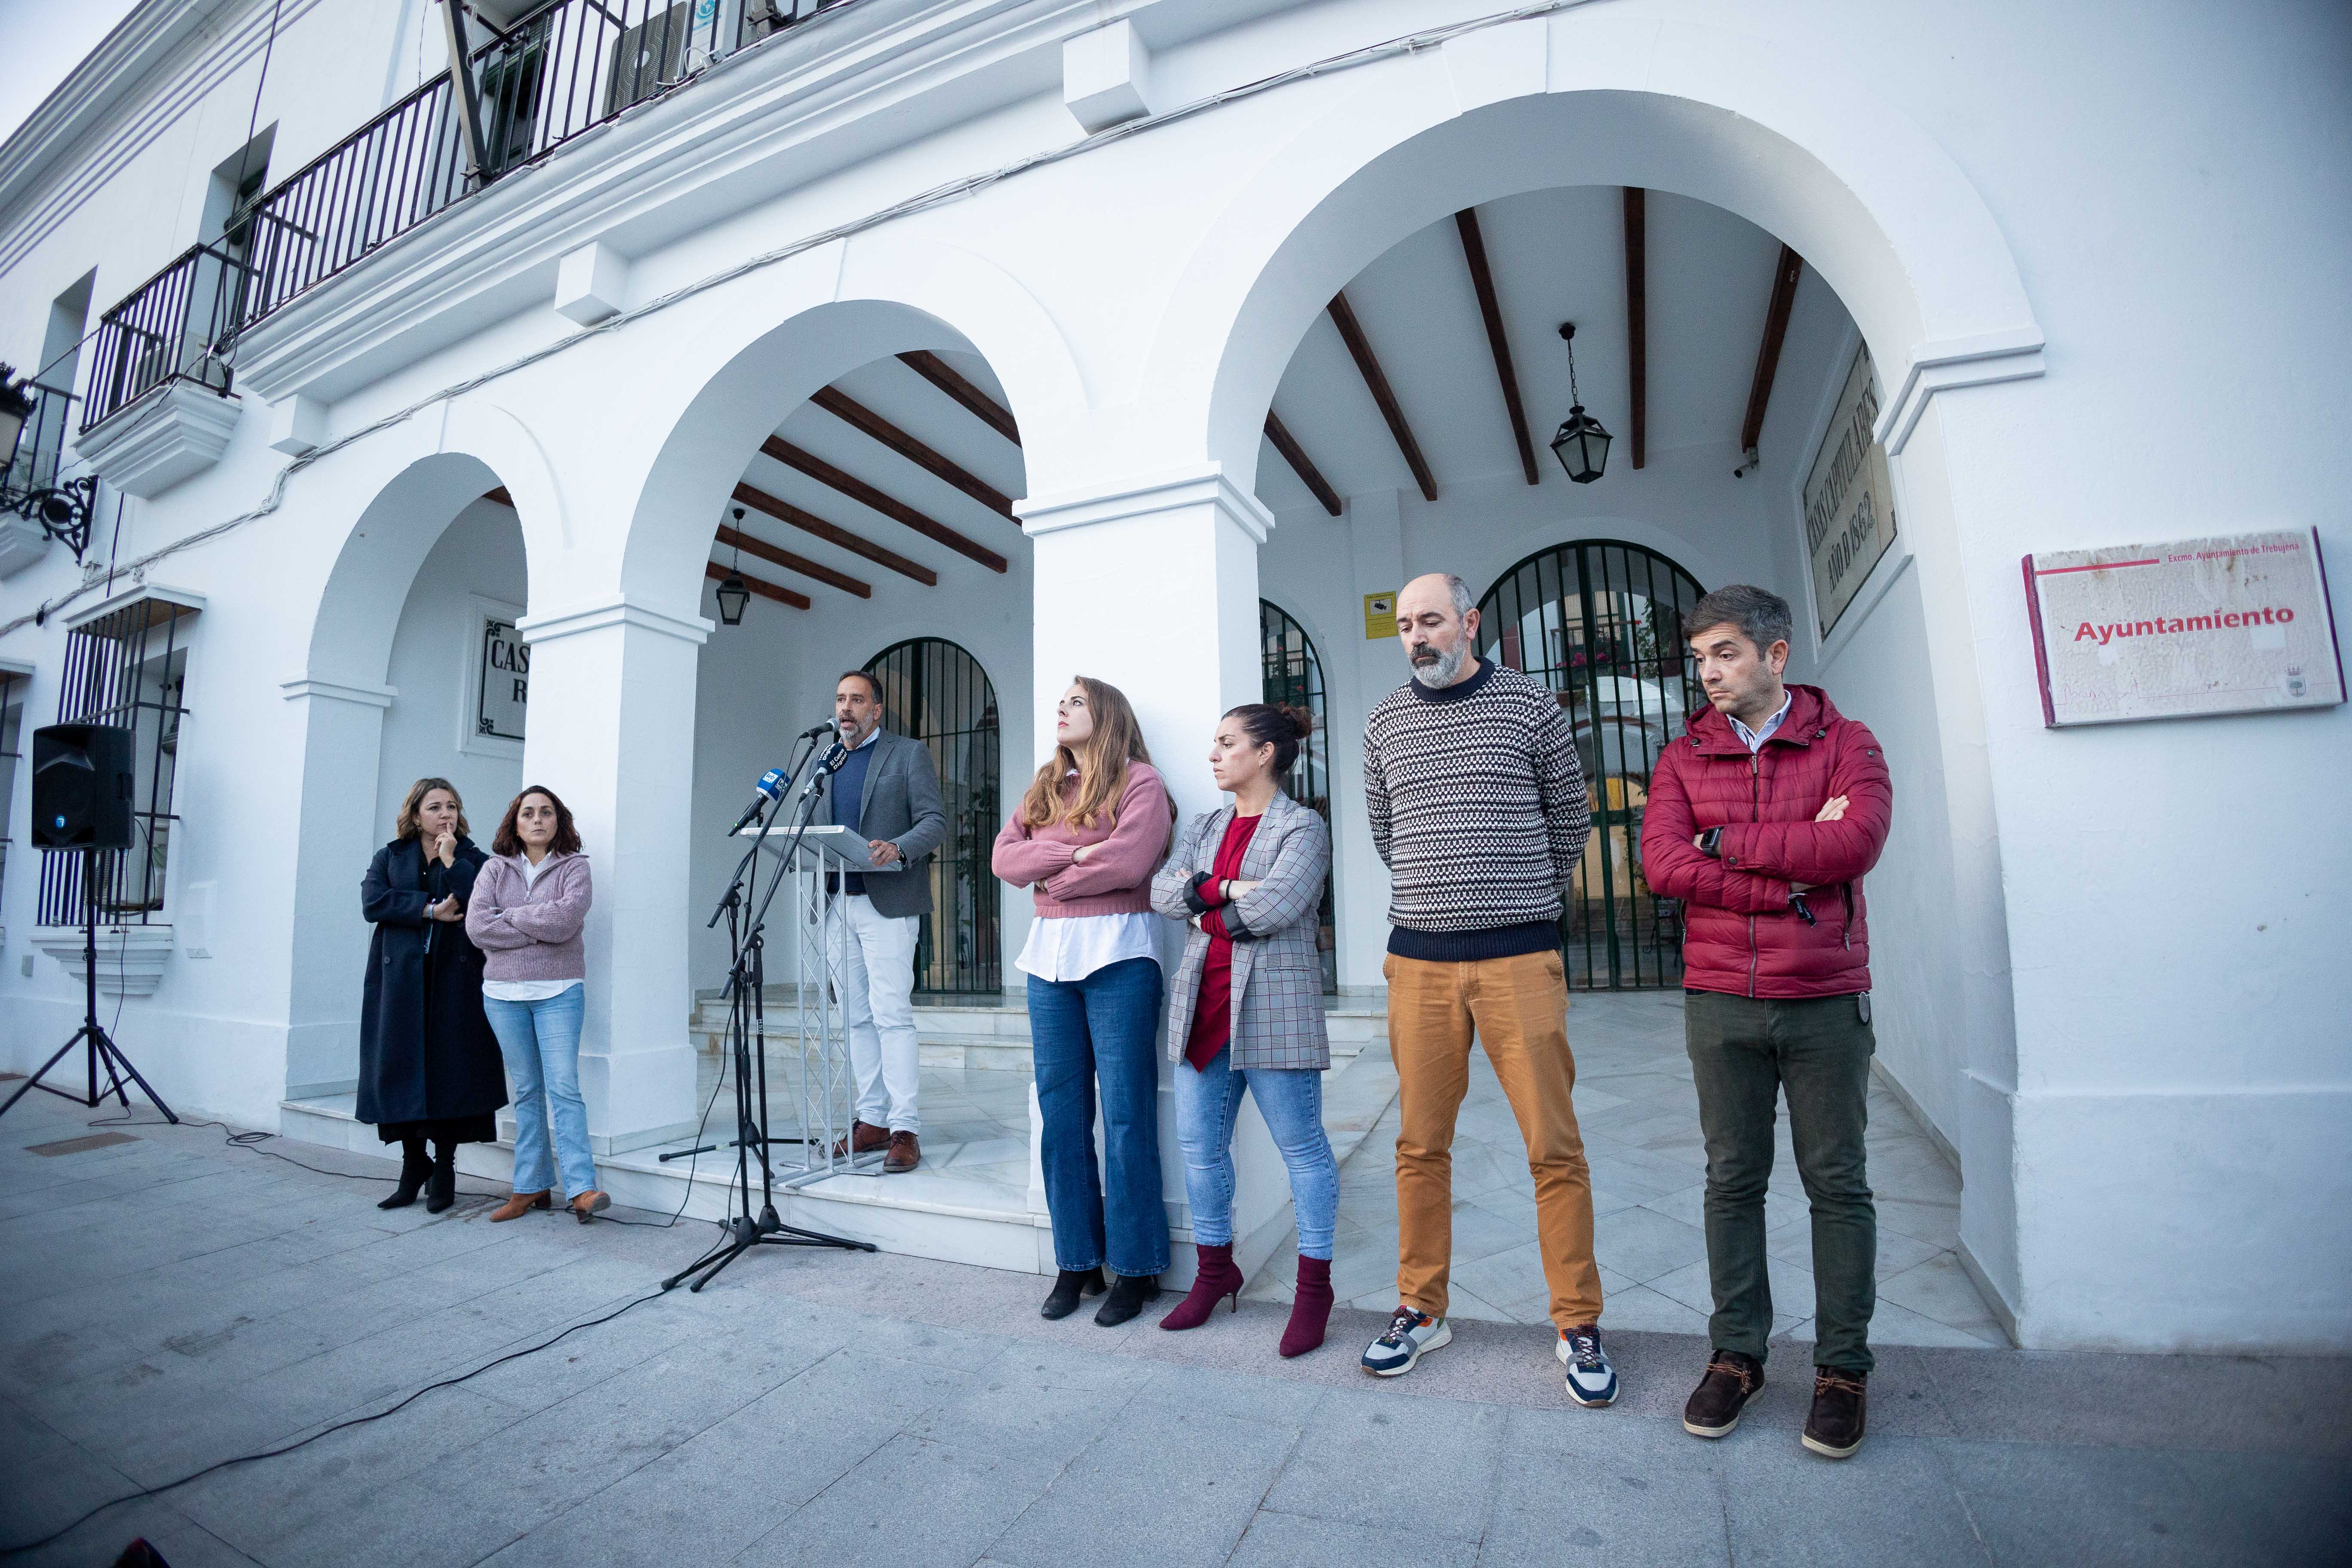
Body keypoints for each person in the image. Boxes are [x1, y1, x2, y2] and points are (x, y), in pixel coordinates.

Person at [1640, 584, 1893, 1460]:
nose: (1709, 672)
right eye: (1699, 657)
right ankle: (1737, 1355)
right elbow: (1662, 864)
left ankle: (1842, 1369)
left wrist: (1725, 841)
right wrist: (1788, 879)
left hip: (1823, 999)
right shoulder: (1682, 758)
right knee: (1732, 1179)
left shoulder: (1848, 744)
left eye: (1726, 654)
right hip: (1720, 999)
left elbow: (1854, 845)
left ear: (1775, 655)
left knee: (1837, 1182)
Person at [1359, 572, 1617, 1407]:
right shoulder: (1383, 721)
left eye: (1430, 620)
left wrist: (1514, 892)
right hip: (1419, 963)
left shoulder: (1531, 706)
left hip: (1518, 959)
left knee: (1554, 1146)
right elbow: (1385, 831)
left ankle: (1577, 1320)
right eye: (1405, 625)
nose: (1416, 636)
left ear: (1469, 622)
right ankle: (1420, 1307)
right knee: (1419, 1146)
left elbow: (1569, 820)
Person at [1150, 704, 1340, 1357]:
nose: (1214, 754)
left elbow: (1278, 906)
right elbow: (1161, 893)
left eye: (1228, 743)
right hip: (1203, 1008)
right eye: (1214, 742)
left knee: (1303, 1151)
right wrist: (1230, 888)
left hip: (1275, 1011)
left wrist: (1203, 905)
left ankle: (1313, 1293)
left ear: (1265, 754)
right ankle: (1214, 1274)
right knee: (1200, 1149)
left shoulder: (1302, 826)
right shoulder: (1206, 825)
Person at [991, 677, 1174, 1326]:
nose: (1062, 709)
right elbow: (1004, 860)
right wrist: (1075, 851)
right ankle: (1077, 1261)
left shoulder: (1141, 782)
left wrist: (1051, 875)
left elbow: (1129, 862)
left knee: (1126, 1117)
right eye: (1061, 702)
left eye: (1075, 701)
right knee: (1061, 1117)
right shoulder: (1046, 785)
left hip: (1120, 956)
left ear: (1107, 714)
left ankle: (1138, 1266)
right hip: (1048, 964)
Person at [812, 670, 948, 1174]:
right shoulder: (827, 760)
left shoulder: (907, 754)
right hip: (836, 902)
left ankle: (904, 1127)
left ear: (876, 710)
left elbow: (934, 821)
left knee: (892, 1014)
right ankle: (871, 1120)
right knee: (854, 1016)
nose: (845, 708)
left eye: (856, 700)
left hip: (887, 901)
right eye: (840, 699)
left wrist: (900, 847)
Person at [358, 778, 508, 1214]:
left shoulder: (473, 858)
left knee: (449, 1073)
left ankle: (444, 1167)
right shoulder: (390, 856)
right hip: (400, 982)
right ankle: (413, 1165)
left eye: (452, 807)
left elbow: (483, 900)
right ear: (416, 814)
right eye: (436, 807)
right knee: (400, 1069)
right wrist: (429, 910)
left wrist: (450, 860)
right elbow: (373, 902)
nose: (446, 815)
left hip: (454, 981)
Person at [465, 785, 607, 1223]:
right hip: (502, 997)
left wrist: (508, 916)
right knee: (527, 1090)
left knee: (564, 1088)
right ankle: (531, 1185)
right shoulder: (494, 869)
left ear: (558, 821)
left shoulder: (575, 867)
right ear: (516, 823)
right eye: (528, 813)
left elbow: (565, 922)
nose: (538, 820)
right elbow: (477, 928)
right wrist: (537, 927)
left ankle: (582, 1189)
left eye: (547, 812)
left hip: (559, 992)